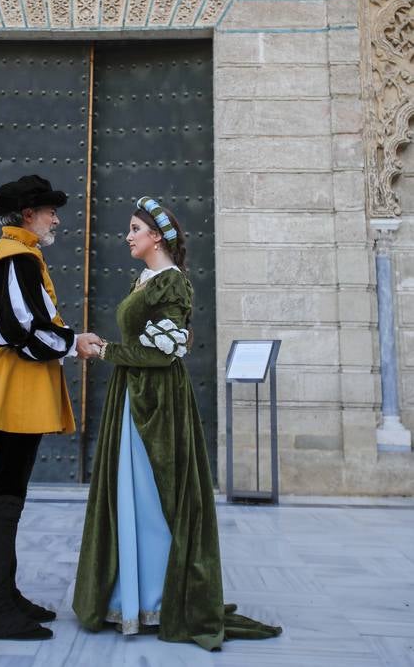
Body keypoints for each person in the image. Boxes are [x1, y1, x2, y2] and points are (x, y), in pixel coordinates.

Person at [72, 196, 282, 650]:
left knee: (151, 497)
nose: (127, 236)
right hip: (135, 396)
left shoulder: (172, 283)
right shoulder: (146, 278)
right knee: (132, 494)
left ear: (156, 237)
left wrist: (103, 351)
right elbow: (162, 343)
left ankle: (158, 599)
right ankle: (132, 596)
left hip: (158, 404)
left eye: (134, 229)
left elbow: (161, 353)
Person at [0, 174, 101, 641]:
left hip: (22, 388)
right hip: (16, 390)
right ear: (29, 214)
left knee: (10, 492)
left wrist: (66, 342)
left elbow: (24, 321)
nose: (56, 219)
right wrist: (74, 343)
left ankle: (5, 598)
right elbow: (20, 325)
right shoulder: (15, 257)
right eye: (49, 211)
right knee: (3, 494)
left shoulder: (22, 255)